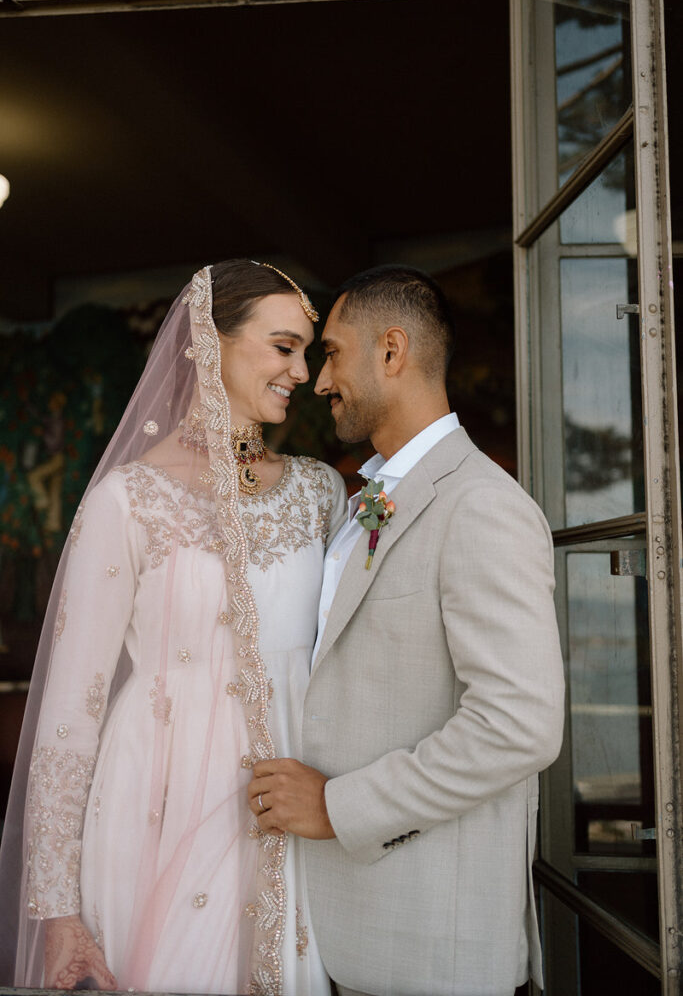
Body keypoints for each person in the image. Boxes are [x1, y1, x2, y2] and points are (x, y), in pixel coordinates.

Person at [0, 259, 347, 996]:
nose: (302, 370)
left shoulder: (321, 492)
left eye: (307, 351)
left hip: (292, 798)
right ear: (205, 344)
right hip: (155, 805)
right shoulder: (127, 501)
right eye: (283, 346)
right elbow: (68, 715)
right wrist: (57, 910)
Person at [248, 265, 566, 996]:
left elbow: (517, 725)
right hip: (347, 933)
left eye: (329, 352)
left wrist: (337, 806)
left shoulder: (481, 505)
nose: (319, 380)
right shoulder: (376, 496)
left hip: (427, 948)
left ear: (390, 352)